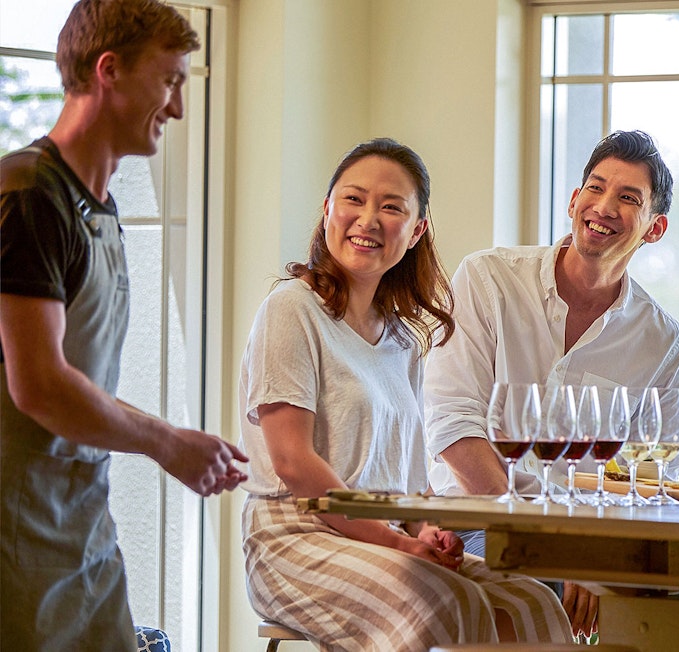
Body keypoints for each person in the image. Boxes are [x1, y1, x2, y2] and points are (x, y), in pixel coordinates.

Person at [237, 138, 572, 652]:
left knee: (531, 600)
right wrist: (398, 541)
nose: (368, 219)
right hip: (297, 537)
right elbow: (294, 463)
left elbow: (412, 483)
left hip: (382, 536)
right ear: (328, 208)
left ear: (416, 231)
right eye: (353, 199)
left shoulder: (402, 341)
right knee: (439, 599)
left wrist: (427, 532)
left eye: (391, 207)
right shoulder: (292, 309)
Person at [0, 1, 249, 649]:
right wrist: (166, 443)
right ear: (108, 70)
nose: (177, 108)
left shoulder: (99, 209)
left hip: (82, 531)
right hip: (14, 536)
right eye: (169, 80)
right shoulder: (28, 195)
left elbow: (76, 379)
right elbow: (41, 386)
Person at [424, 129, 679, 638]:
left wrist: (593, 553)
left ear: (654, 229)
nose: (604, 206)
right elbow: (453, 423)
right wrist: (552, 547)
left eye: (628, 198)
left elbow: (656, 473)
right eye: (595, 187)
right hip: (478, 519)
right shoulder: (488, 279)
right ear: (574, 200)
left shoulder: (664, 343)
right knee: (541, 587)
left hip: (592, 542)